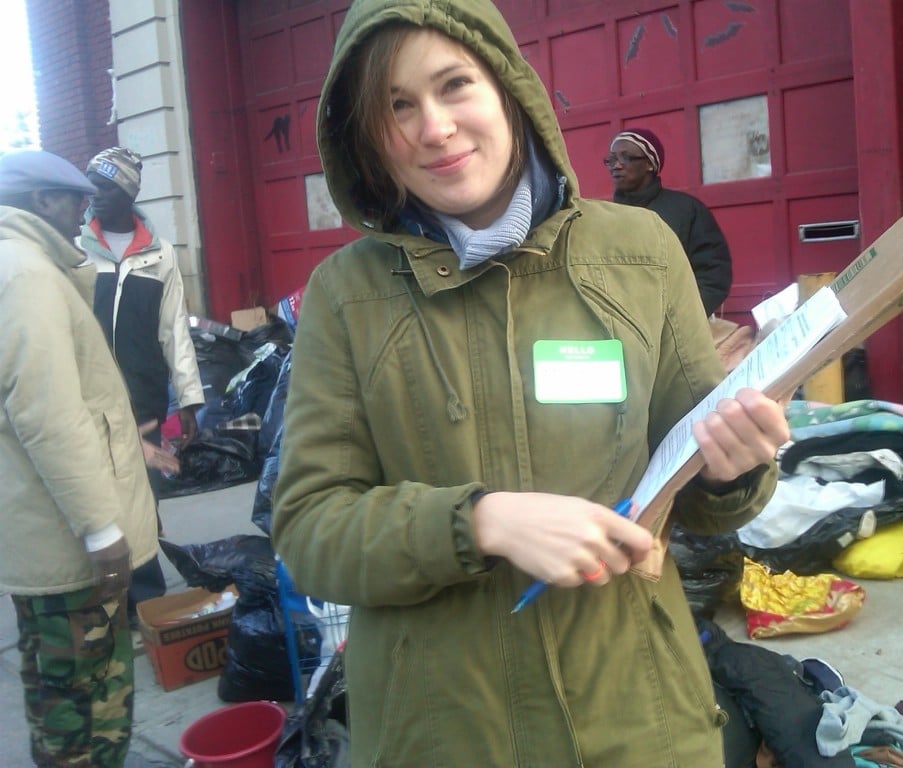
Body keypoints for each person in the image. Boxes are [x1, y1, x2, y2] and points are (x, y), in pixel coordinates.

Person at [271, 1, 789, 765]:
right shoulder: (347, 295)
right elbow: (311, 530)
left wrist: (735, 467)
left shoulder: (639, 251)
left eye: (455, 85)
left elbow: (699, 483)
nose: (434, 127)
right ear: (368, 138)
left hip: (639, 721)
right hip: (440, 734)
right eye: (397, 107)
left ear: (510, 88)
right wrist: (481, 522)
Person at [0, 149, 179, 767]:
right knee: (88, 703)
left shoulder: (23, 266)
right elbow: (49, 415)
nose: (84, 208)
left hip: (47, 533)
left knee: (57, 693)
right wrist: (102, 532)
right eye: (72, 196)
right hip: (69, 547)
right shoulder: (25, 274)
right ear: (40, 201)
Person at [77, 146, 205, 615]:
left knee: (141, 495)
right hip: (86, 399)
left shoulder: (160, 254)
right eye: (91, 183)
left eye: (107, 186)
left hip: (142, 400)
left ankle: (145, 601)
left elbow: (175, 330)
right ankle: (99, 599)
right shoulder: (75, 249)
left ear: (129, 191)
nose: (95, 194)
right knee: (92, 491)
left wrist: (189, 399)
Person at [606, 127, 733, 316]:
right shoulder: (605, 216)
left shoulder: (687, 210)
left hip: (673, 328)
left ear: (650, 164)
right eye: (612, 159)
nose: (616, 165)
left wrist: (682, 318)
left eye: (626, 157)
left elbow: (713, 275)